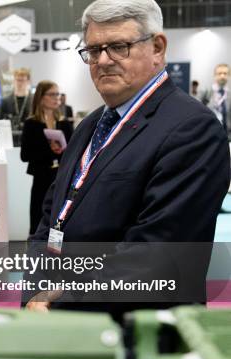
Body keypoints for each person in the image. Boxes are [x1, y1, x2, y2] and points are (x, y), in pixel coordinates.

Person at [25, 0, 229, 315]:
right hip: (66, 324)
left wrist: (58, 300)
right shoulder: (89, 126)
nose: (103, 60)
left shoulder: (191, 129)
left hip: (133, 333)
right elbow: (50, 216)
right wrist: (36, 285)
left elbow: (157, 255)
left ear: (158, 48)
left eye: (119, 47)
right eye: (93, 50)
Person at [21, 81, 73, 236]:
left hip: (62, 179)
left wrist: (61, 150)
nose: (57, 98)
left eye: (58, 94)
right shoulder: (32, 124)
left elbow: (74, 153)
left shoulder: (64, 123)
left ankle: (55, 256)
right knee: (38, 218)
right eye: (52, 94)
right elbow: (25, 156)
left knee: (58, 221)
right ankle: (36, 256)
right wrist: (48, 149)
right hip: (41, 179)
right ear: (41, 97)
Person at [0, 67, 32, 144]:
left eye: (22, 80)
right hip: (11, 140)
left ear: (28, 81)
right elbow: (1, 122)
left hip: (31, 140)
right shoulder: (5, 101)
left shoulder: (34, 101)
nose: (19, 83)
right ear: (14, 81)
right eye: (17, 80)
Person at [200, 63, 229, 138]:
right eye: (219, 73)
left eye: (225, 73)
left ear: (229, 76)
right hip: (210, 134)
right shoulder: (206, 92)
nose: (222, 76)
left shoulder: (229, 94)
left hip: (227, 135)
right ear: (214, 75)